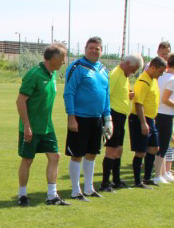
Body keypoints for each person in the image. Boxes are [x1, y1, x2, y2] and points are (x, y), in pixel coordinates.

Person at [16, 44, 69, 205]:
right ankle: (22, 195)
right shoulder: (34, 75)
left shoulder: (53, 74)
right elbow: (20, 101)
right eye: (62, 58)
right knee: (27, 160)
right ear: (53, 59)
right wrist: (27, 126)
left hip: (47, 127)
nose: (64, 62)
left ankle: (52, 196)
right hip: (31, 127)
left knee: (55, 156)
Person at [63, 36, 110, 201]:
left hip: (97, 119)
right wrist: (71, 117)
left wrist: (108, 119)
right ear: (85, 49)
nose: (94, 51)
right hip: (79, 118)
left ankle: (89, 188)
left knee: (92, 153)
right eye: (91, 48)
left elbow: (106, 95)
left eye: (97, 48)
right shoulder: (77, 67)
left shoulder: (103, 69)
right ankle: (75, 191)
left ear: (101, 51)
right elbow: (69, 93)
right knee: (77, 154)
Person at [99, 54, 143, 191]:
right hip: (114, 115)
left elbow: (118, 92)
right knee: (112, 149)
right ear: (128, 63)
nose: (134, 72)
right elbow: (106, 95)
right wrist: (106, 118)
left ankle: (116, 180)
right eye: (134, 69)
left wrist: (127, 95)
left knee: (118, 149)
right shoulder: (115, 74)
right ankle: (105, 183)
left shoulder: (124, 75)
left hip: (121, 116)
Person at [128, 56, 167, 188]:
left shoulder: (153, 79)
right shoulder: (143, 81)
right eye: (160, 71)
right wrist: (143, 123)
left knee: (154, 148)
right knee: (140, 151)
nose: (161, 74)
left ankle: (147, 178)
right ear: (153, 68)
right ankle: (137, 181)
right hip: (140, 119)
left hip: (150, 119)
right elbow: (138, 104)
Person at [154, 54, 174, 183]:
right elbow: (165, 99)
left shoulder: (162, 76)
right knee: (163, 145)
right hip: (165, 114)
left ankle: (163, 173)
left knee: (162, 144)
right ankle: (158, 175)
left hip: (159, 113)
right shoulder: (172, 79)